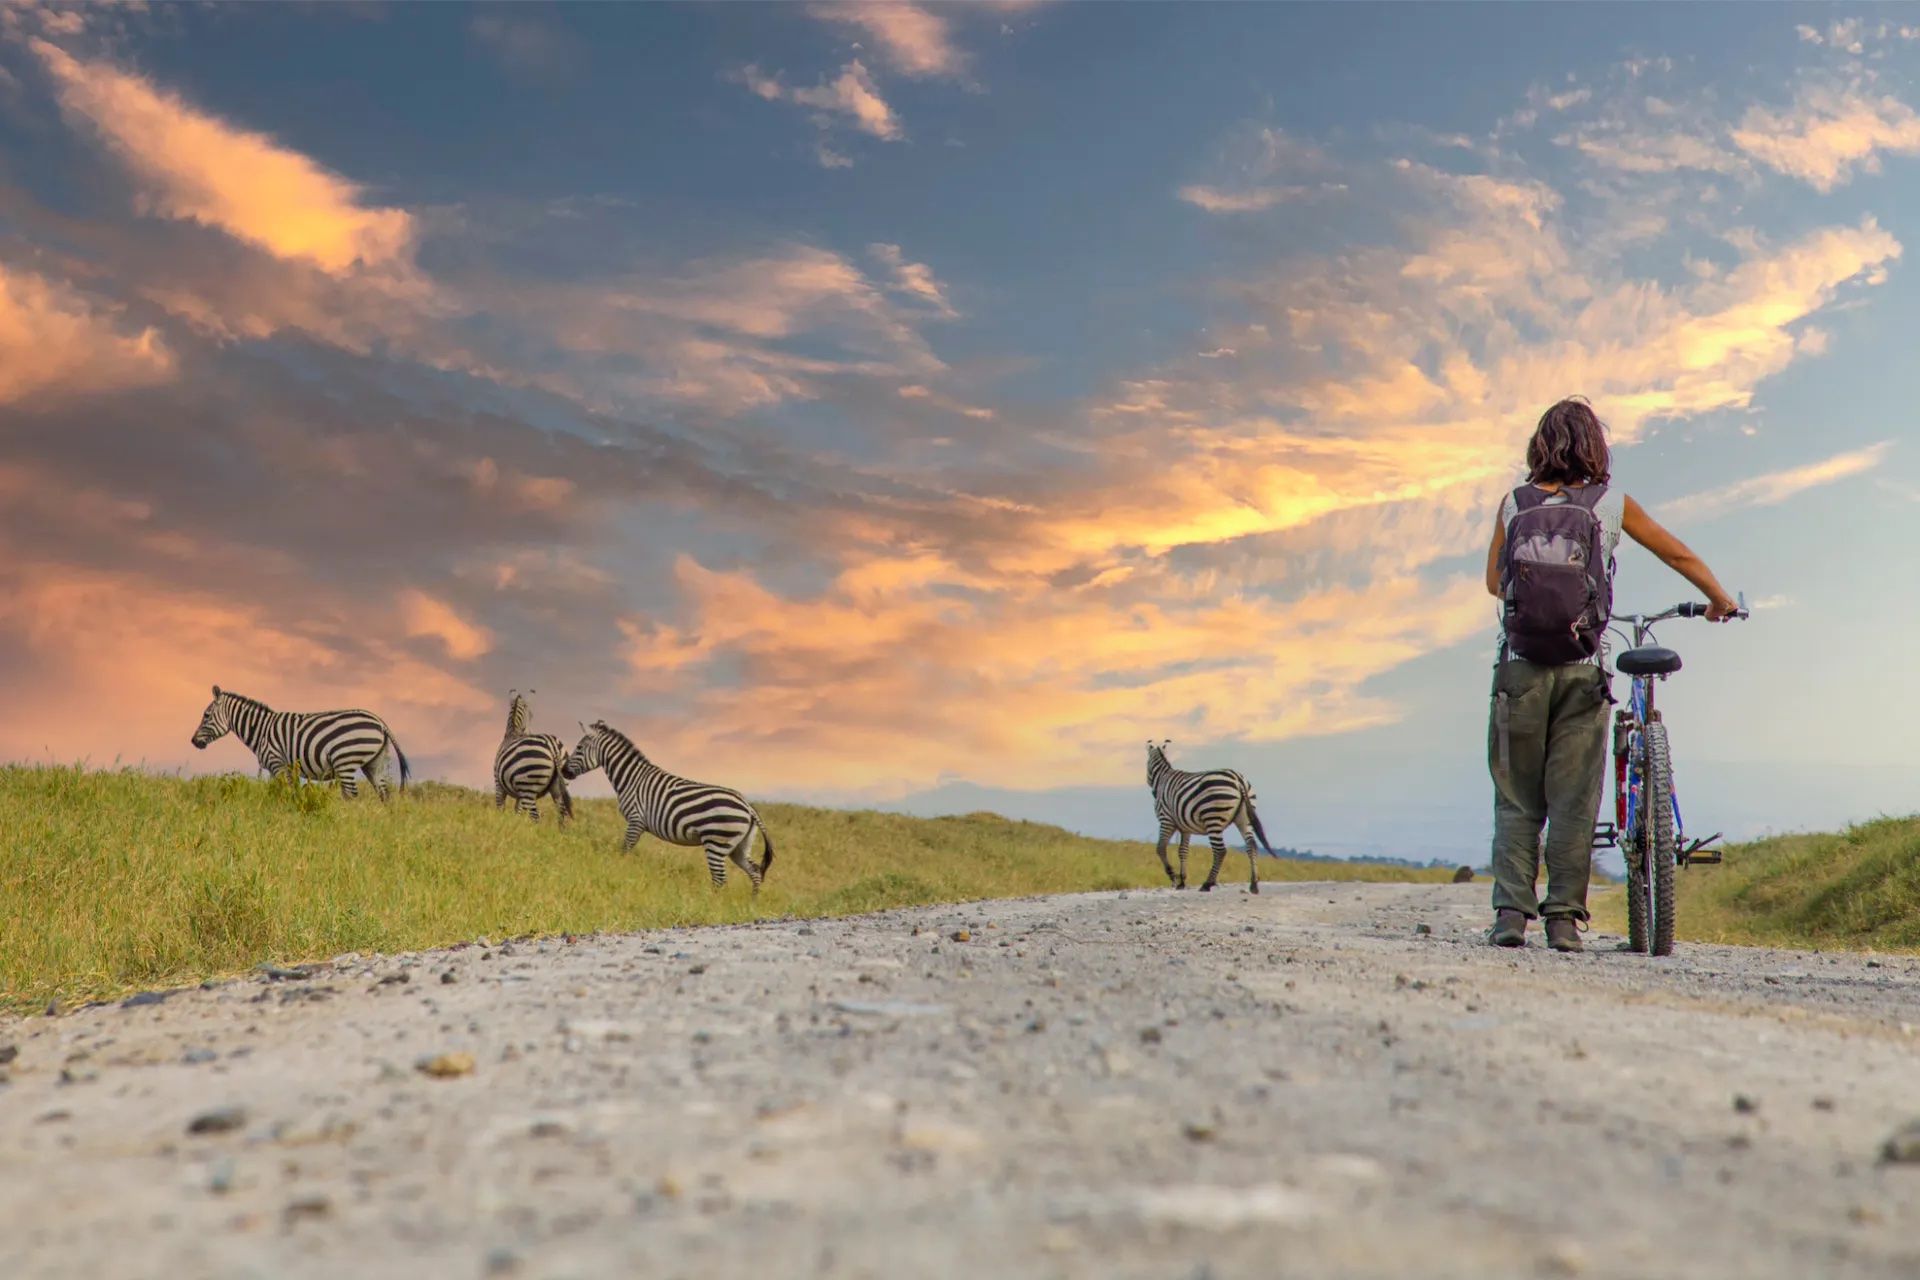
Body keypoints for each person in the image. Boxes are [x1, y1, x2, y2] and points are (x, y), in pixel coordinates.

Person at [1484, 397, 1738, 952]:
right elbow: (1677, 556)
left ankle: (1510, 917)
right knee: (1574, 799)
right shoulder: (1610, 505)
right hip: (1582, 670)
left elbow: (1491, 583)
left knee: (1517, 798)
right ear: (1595, 448)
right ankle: (1563, 922)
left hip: (1519, 670)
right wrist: (1718, 598)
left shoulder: (1513, 503)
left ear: (1538, 447)